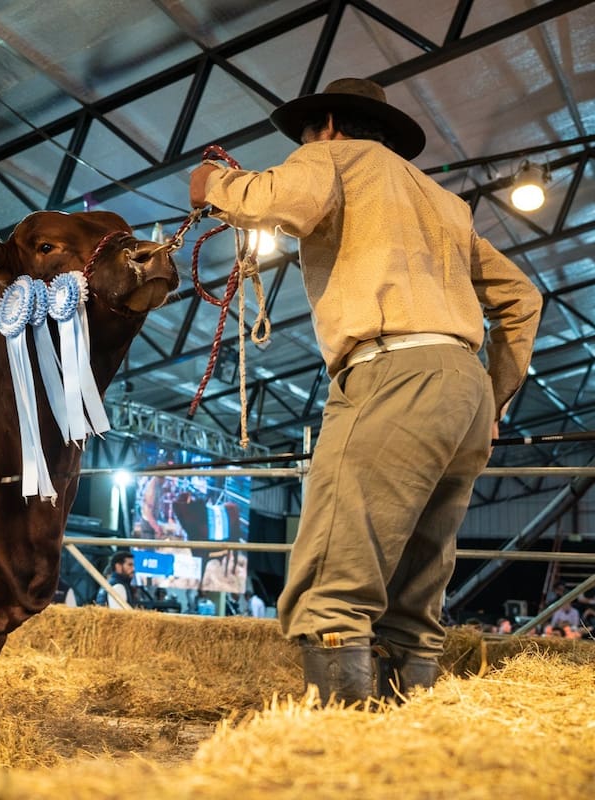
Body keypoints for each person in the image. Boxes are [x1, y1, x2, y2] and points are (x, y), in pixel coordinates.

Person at [189, 77, 542, 707]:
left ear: (326, 124)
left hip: (390, 372)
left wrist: (213, 187)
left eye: (304, 136)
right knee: (416, 588)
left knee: (334, 577)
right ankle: (410, 738)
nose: (302, 144)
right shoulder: (444, 202)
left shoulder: (332, 156)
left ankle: (342, 748)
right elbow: (521, 298)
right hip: (464, 389)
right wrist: (496, 396)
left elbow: (284, 202)